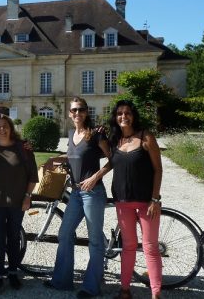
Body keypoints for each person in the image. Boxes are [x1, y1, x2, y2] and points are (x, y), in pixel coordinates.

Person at [44, 97, 112, 298]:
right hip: (75, 193)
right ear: (69, 113)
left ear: (86, 112)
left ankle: (91, 287)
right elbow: (73, 156)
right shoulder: (72, 133)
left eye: (81, 110)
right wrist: (53, 159)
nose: (77, 113)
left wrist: (95, 176)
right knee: (64, 234)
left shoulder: (96, 134)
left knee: (95, 240)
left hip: (93, 193)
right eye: (73, 110)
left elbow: (113, 158)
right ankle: (62, 281)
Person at [108, 99, 163, 299]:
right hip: (123, 202)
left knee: (150, 248)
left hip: (146, 202)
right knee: (128, 247)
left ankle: (156, 293)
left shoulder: (146, 137)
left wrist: (155, 199)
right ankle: (125, 290)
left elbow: (158, 170)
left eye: (127, 113)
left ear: (133, 115)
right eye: (120, 113)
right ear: (115, 117)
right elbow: (106, 161)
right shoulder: (115, 140)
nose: (124, 116)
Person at [0, 114, 37, 296]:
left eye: (5, 126)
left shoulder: (23, 148)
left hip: (16, 202)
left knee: (14, 238)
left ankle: (13, 272)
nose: (2, 129)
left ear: (10, 127)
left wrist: (27, 197)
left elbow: (32, 176)